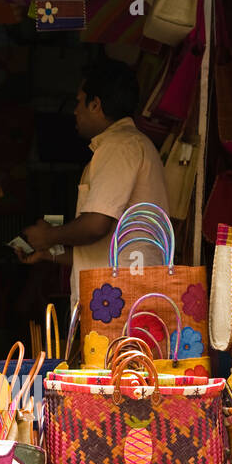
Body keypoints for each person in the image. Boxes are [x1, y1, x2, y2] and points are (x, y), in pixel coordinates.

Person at [15, 60, 170, 309]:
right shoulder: (127, 145)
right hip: (124, 296)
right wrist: (48, 251)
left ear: (95, 104)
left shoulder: (119, 146)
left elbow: (96, 226)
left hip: (122, 302)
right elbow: (99, 250)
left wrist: (48, 236)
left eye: (79, 101)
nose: (75, 110)